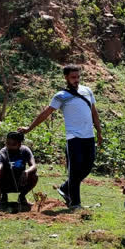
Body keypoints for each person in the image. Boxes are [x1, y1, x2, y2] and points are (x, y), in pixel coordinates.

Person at [19, 64, 102, 208]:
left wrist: (99, 132)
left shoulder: (87, 91)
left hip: (89, 136)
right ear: (66, 78)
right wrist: (29, 128)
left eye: (78, 77)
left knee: (88, 166)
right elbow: (46, 113)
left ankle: (64, 188)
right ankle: (75, 203)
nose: (76, 80)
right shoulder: (61, 96)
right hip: (74, 138)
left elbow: (94, 112)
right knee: (75, 170)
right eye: (73, 77)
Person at [0, 131, 38, 205]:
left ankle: (22, 197)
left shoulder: (25, 150)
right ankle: (3, 197)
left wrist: (26, 172)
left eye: (13, 144)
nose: (10, 146)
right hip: (5, 183)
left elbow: (34, 166)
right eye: (8, 143)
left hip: (21, 182)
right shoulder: (1, 154)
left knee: (34, 175)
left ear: (20, 144)